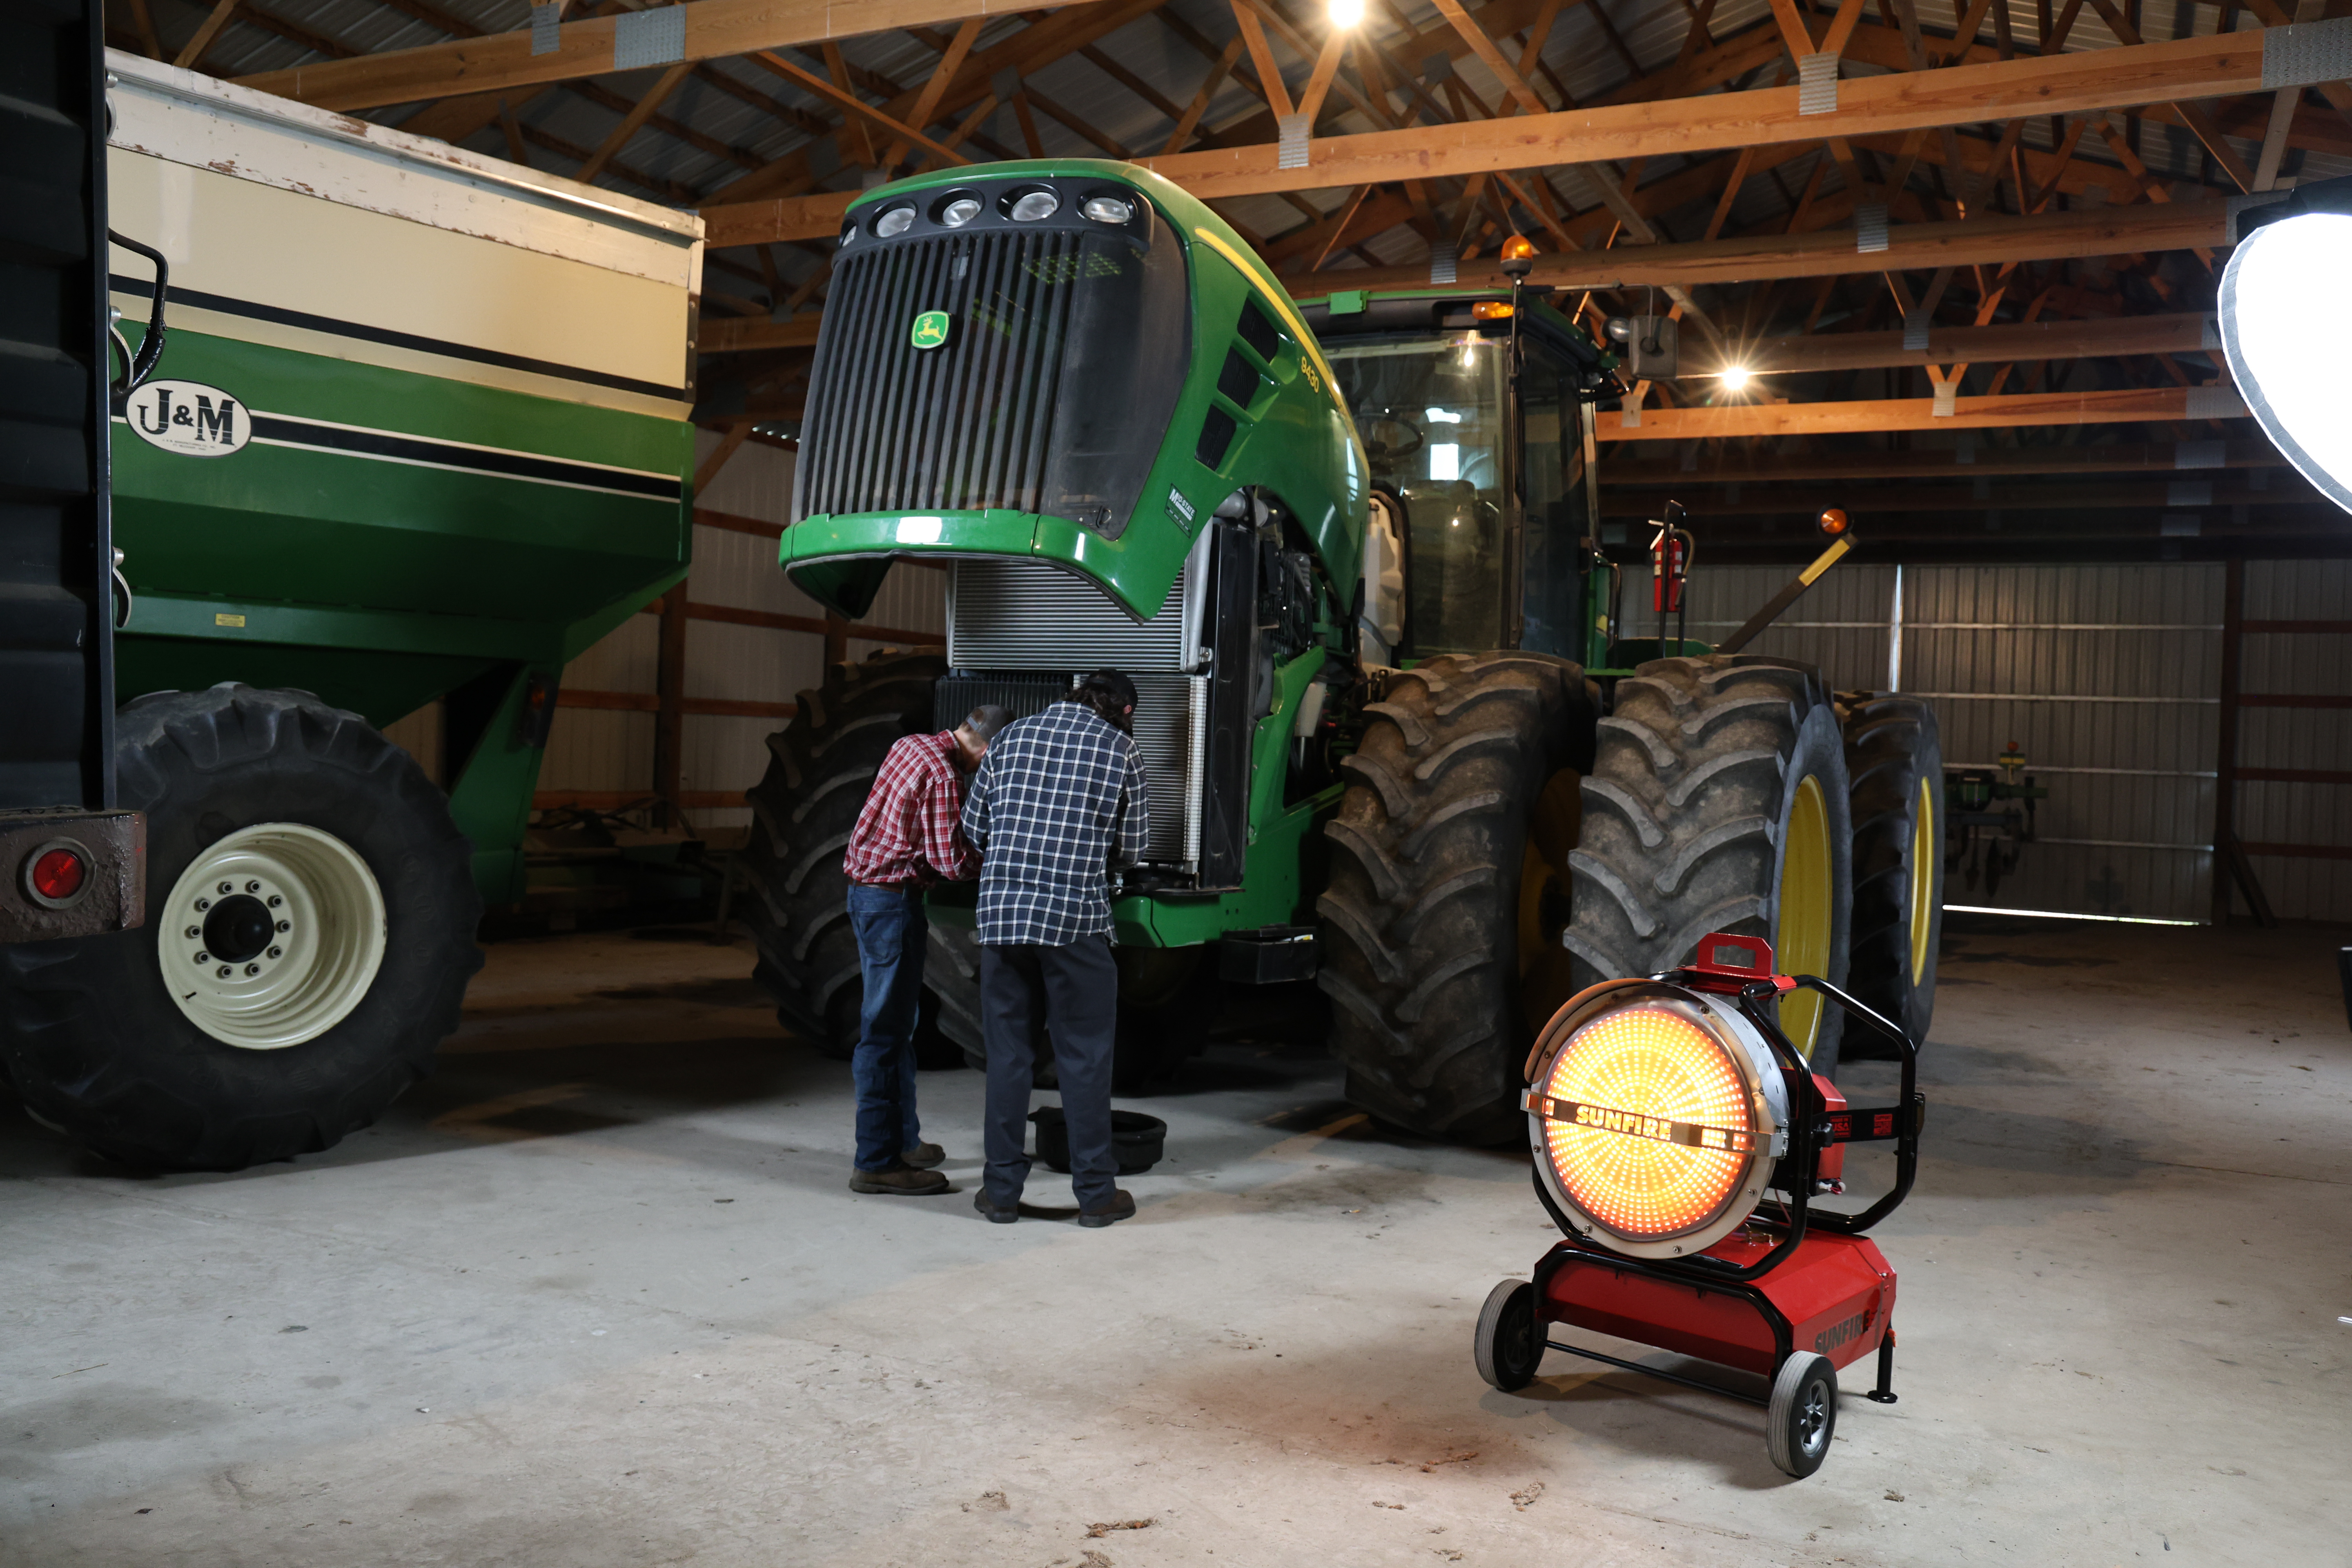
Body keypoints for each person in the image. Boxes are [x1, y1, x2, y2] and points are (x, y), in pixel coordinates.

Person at [959, 670, 1150, 1229]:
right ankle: (1095, 1196)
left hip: (1002, 920)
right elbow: (1133, 848)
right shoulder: (1121, 749)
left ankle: (999, 1194)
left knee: (1009, 1058)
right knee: (1084, 1060)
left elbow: (975, 828)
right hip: (1074, 924)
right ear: (1126, 712)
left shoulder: (1012, 738)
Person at [841, 702, 1011, 1197]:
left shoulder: (911, 744)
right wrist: (1001, 856)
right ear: (984, 747)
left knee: (899, 1024)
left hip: (866, 894)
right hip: (891, 903)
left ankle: (903, 1141)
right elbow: (951, 861)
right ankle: (875, 1162)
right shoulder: (943, 775)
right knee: (884, 1033)